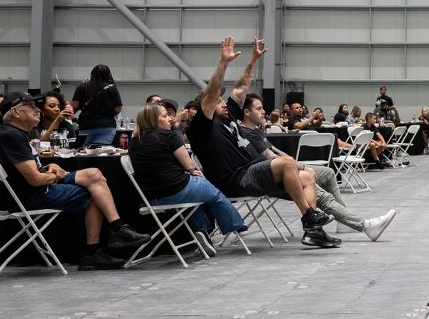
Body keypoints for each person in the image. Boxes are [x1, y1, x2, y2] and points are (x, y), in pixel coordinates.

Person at [185, 37, 341, 248]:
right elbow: (213, 92)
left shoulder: (228, 116)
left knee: (308, 176)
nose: (223, 102)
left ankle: (314, 232)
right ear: (207, 105)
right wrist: (223, 63)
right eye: (218, 101)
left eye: (223, 100)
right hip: (234, 180)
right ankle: (309, 216)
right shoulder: (202, 127)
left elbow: (241, 88)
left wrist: (253, 61)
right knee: (287, 162)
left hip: (252, 171)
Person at [0, 91, 148, 270]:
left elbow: (30, 172)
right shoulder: (11, 136)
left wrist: (49, 168)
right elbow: (35, 180)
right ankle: (94, 250)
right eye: (31, 107)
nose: (37, 110)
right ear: (15, 112)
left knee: (94, 174)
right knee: (95, 194)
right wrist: (57, 175)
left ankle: (118, 230)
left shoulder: (17, 134)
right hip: (31, 196)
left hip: (33, 190)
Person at [232, 92, 395, 241]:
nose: (263, 112)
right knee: (319, 192)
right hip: (272, 178)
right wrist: (301, 167)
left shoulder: (257, 131)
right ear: (246, 112)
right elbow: (272, 156)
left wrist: (296, 164)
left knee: (329, 173)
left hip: (282, 169)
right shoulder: (247, 133)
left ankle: (344, 221)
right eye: (259, 108)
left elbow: (276, 151)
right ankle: (365, 226)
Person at [130, 103, 244, 246]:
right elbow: (189, 165)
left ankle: (202, 234)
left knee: (195, 200)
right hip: (176, 190)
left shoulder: (134, 141)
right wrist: (192, 171)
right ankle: (236, 225)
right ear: (153, 120)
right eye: (165, 116)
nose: (170, 119)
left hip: (151, 198)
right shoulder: (168, 136)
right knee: (214, 194)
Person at [71, 64, 123, 146]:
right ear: (108, 75)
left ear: (92, 74)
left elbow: (73, 107)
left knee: (83, 153)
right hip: (106, 126)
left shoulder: (81, 87)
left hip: (86, 126)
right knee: (101, 154)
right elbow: (117, 110)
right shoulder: (112, 88)